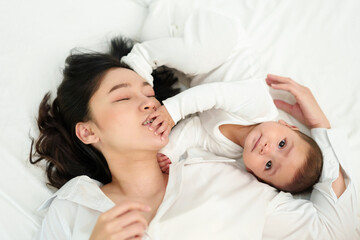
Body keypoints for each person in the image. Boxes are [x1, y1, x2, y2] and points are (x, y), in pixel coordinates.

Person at [30, 37, 357, 240]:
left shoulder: (231, 184)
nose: (148, 101)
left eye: (150, 93)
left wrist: (320, 128)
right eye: (121, 98)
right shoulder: (73, 207)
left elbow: (333, 232)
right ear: (88, 131)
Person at [121, 3, 322, 193]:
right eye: (282, 144)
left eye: (269, 165)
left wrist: (169, 152)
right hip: (224, 40)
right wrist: (173, 112)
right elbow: (213, 95)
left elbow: (195, 130)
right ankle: (141, 55)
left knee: (152, 33)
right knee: (197, 57)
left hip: (198, 71)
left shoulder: (227, 150)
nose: (266, 149)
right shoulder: (260, 105)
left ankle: (161, 25)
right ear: (289, 126)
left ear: (255, 175)